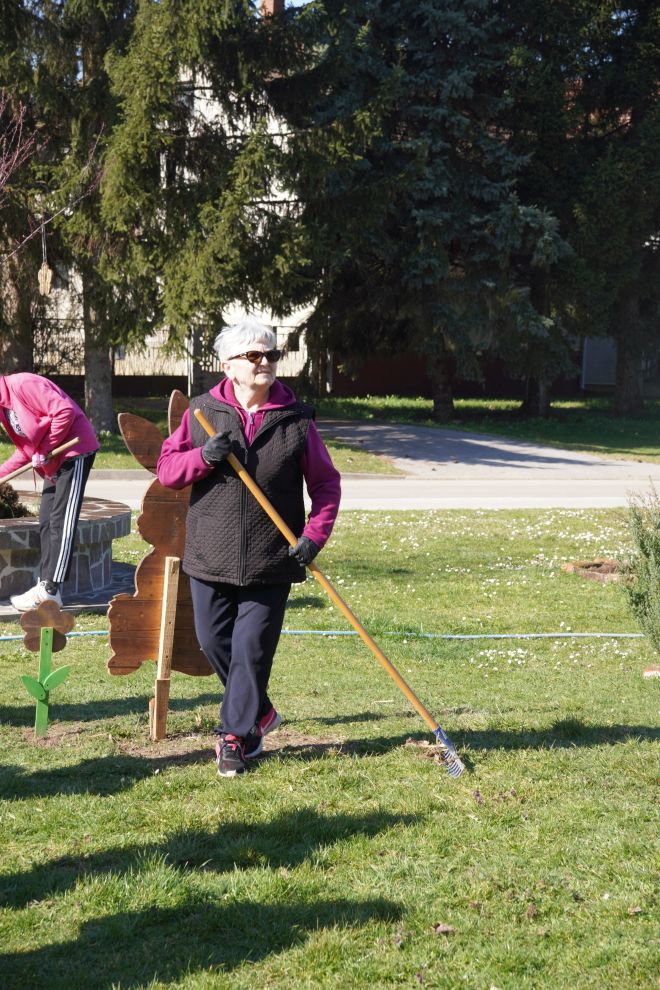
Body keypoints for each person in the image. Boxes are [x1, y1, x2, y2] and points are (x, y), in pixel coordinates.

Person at [157, 318, 341, 778]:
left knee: (251, 650)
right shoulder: (201, 412)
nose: (266, 362)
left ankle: (235, 737)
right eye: (254, 355)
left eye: (271, 354)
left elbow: (326, 484)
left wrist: (314, 536)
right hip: (209, 555)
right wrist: (203, 457)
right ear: (228, 365)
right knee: (213, 640)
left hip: (271, 559)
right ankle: (259, 711)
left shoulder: (295, 420)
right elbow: (166, 469)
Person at [0, 372, 99, 610]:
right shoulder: (4, 409)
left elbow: (64, 411)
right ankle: (46, 586)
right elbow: (26, 451)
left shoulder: (23, 384)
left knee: (61, 520)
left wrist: (44, 448)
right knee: (45, 520)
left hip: (76, 452)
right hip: (53, 460)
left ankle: (51, 589)